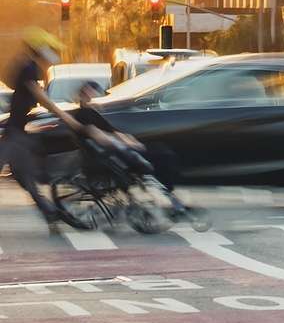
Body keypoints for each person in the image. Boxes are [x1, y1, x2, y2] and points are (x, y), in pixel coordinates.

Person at [0, 28, 85, 230]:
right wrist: (65, 116)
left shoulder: (26, 65)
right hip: (15, 134)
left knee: (25, 178)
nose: (53, 53)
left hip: (17, 133)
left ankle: (50, 212)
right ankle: (50, 212)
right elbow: (40, 96)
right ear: (40, 48)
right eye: (50, 48)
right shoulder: (29, 67)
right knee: (25, 179)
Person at [72, 81, 189, 217]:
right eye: (89, 91)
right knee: (162, 155)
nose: (91, 94)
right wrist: (128, 144)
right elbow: (100, 136)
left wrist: (132, 141)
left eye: (92, 91)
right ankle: (170, 196)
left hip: (118, 150)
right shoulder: (82, 115)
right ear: (83, 93)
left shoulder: (90, 111)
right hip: (113, 154)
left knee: (161, 151)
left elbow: (115, 132)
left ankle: (170, 194)